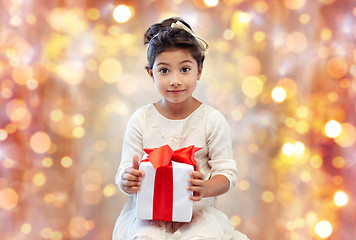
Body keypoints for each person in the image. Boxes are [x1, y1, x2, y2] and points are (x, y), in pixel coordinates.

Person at [113, 17, 249, 240]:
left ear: (199, 70)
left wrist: (204, 187)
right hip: (148, 216)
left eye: (184, 69)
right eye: (164, 71)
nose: (175, 80)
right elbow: (125, 170)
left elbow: (226, 174)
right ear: (151, 74)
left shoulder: (211, 120)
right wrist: (128, 179)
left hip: (197, 215)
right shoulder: (141, 119)